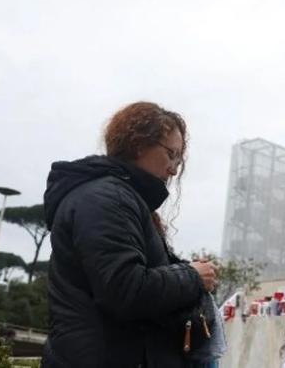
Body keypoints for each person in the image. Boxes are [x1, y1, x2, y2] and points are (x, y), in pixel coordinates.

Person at [42, 101, 218, 368]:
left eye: (179, 160)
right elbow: (125, 289)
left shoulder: (121, 198)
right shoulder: (107, 199)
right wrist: (192, 276)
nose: (173, 169)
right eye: (171, 154)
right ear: (139, 144)